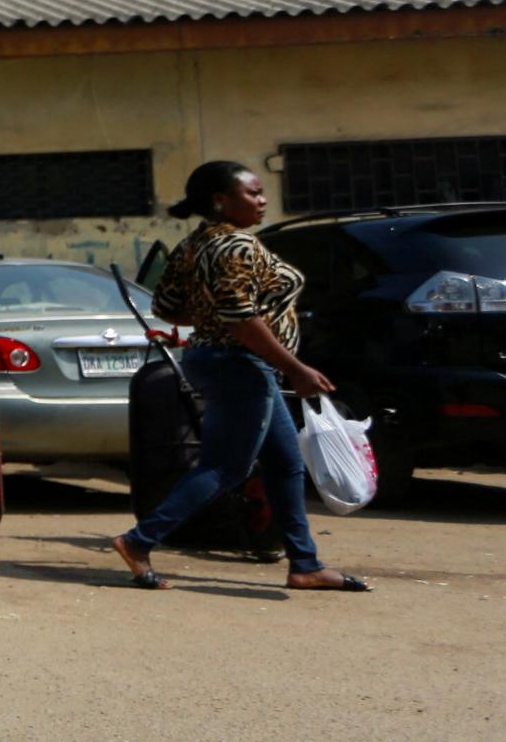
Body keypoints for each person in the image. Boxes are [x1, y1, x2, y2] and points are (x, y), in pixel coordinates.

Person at [111, 160, 369, 595]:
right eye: (253, 193)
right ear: (221, 200)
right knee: (225, 466)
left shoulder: (195, 245)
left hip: (224, 359)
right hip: (238, 364)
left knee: (285, 463)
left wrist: (216, 320)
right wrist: (295, 368)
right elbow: (240, 318)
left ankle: (304, 564)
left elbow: (168, 306)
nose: (263, 200)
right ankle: (138, 541)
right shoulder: (235, 247)